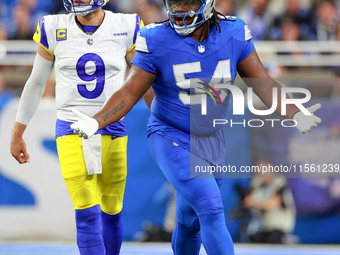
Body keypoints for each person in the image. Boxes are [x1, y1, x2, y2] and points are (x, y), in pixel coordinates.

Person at [70, 0, 321, 254]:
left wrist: (295, 113)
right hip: (170, 134)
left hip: (212, 139)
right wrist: (97, 120)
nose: (179, 9)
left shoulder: (233, 32)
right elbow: (129, 91)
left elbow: (262, 82)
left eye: (188, 2)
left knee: (189, 223)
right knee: (211, 209)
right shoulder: (155, 37)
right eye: (175, 2)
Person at [10, 0, 144, 254]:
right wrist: (18, 131)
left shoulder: (126, 25)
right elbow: (36, 83)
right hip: (71, 127)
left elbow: (141, 79)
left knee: (111, 211)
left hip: (112, 126)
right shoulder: (53, 26)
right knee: (86, 213)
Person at [243, 161, 296, 244]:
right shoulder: (256, 185)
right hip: (261, 228)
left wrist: (255, 202)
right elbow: (247, 202)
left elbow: (272, 204)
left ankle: (286, 239)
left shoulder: (280, 184)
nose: (262, 174)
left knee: (273, 239)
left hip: (278, 227)